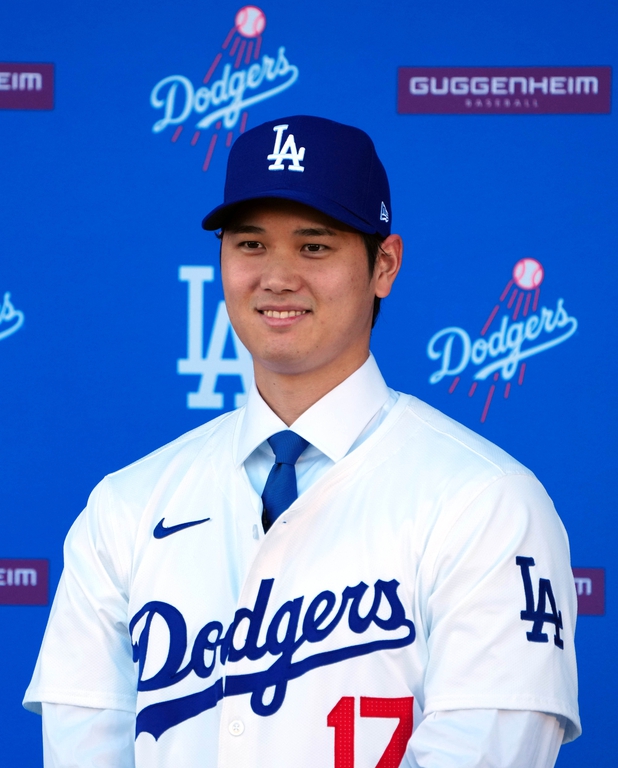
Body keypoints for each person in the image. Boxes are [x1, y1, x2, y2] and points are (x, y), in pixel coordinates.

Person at [24, 115, 580, 768]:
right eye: (250, 245)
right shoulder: (124, 507)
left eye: (314, 246)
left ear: (385, 265)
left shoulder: (487, 503)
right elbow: (84, 748)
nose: (278, 277)